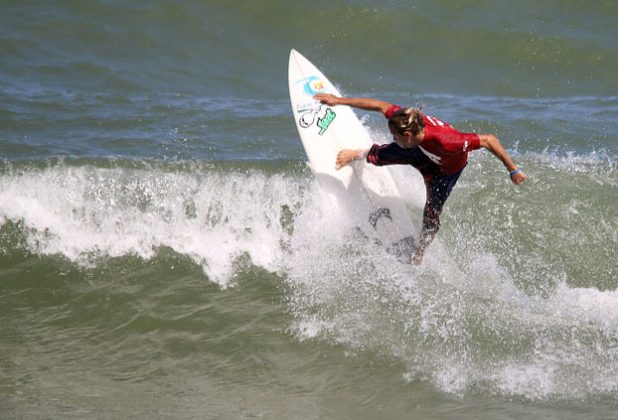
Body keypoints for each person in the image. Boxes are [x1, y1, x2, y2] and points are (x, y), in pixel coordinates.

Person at [314, 93, 528, 265]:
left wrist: (513, 170)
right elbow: (379, 105)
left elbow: (489, 140)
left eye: (395, 136)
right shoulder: (405, 119)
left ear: (407, 135)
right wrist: (339, 101)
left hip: (445, 171)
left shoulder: (446, 141)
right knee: (384, 154)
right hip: (420, 150)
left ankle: (419, 255)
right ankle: (358, 154)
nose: (393, 138)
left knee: (431, 217)